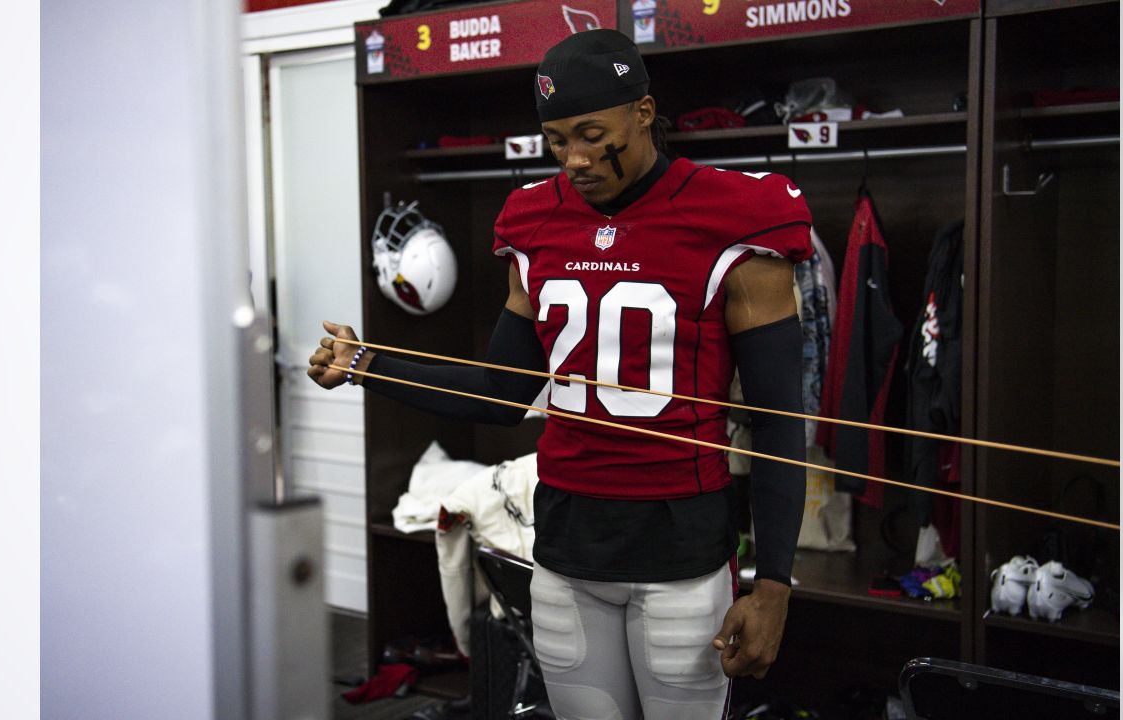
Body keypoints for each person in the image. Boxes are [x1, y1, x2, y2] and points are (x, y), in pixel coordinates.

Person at [308, 29, 810, 720]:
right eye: (555, 140)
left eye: (592, 134)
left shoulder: (735, 215)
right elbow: (501, 392)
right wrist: (367, 363)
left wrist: (775, 583)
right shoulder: (535, 219)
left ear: (642, 111)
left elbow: (782, 418)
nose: (574, 159)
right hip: (566, 546)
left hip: (681, 553)